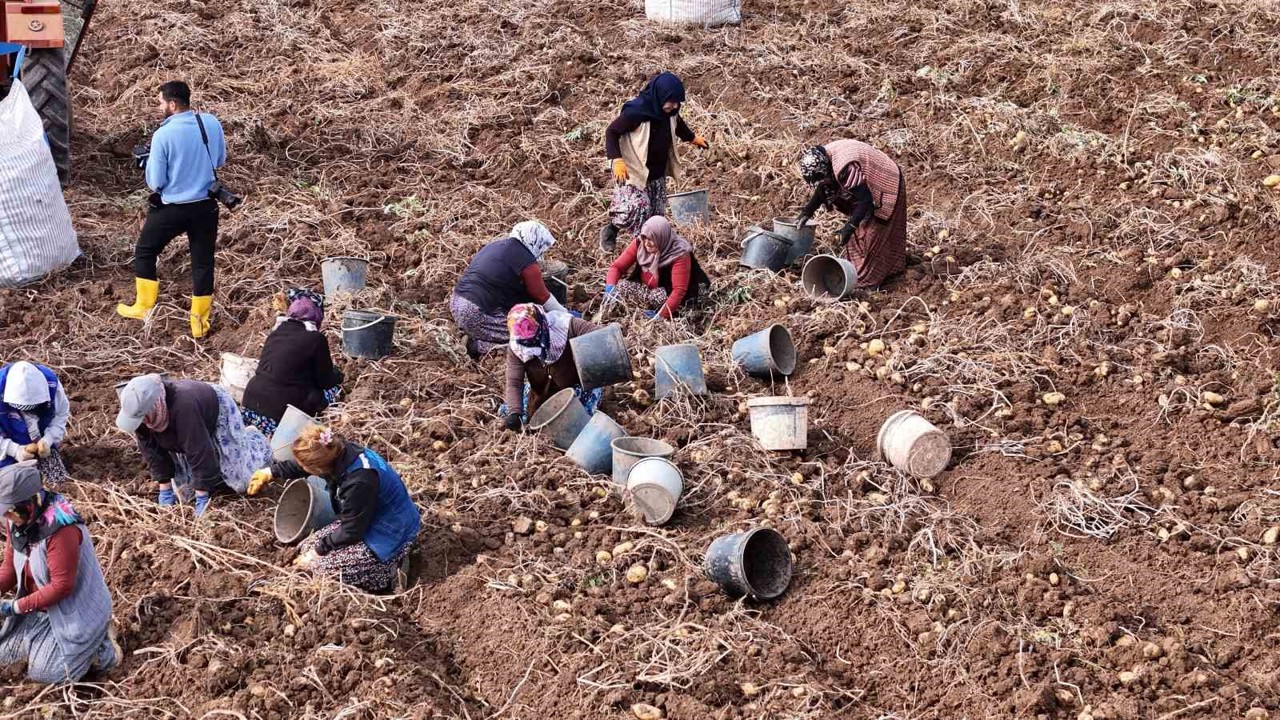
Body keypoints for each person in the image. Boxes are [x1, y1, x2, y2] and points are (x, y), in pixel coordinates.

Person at [247, 426, 421, 593]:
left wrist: (317, 553)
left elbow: (351, 531)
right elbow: (302, 466)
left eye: (306, 467)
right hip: (365, 518)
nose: (302, 468)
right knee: (304, 547)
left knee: (317, 571)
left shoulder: (360, 480)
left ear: (318, 469)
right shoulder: (335, 451)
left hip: (390, 532)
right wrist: (270, 472)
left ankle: (391, 568)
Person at [116, 80, 228, 339]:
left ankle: (144, 307)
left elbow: (157, 182)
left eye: (161, 102)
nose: (159, 107)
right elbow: (220, 159)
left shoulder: (163, 135)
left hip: (173, 209)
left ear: (173, 104)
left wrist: (147, 164)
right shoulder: (210, 123)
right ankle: (199, 323)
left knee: (145, 251)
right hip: (206, 206)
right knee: (203, 262)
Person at [0, 462, 119, 684]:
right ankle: (42, 640)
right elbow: (9, 568)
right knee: (5, 658)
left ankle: (101, 647)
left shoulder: (61, 528)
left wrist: (14, 607)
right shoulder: (16, 521)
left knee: (46, 674)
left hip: (72, 612)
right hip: (38, 609)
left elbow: (61, 586)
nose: (6, 516)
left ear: (30, 503)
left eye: (9, 511)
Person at [115, 374, 270, 516]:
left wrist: (202, 497)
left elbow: (198, 449)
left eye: (142, 418)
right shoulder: (141, 416)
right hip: (187, 429)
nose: (142, 422)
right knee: (185, 495)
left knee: (241, 481)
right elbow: (152, 452)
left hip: (215, 410)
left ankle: (255, 440)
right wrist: (165, 489)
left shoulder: (184, 406)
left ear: (154, 406)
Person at [600, 72, 708, 251]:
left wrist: (692, 138)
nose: (674, 106)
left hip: (656, 173)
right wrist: (616, 159)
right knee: (636, 208)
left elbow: (678, 124)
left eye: (677, 102)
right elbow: (612, 132)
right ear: (659, 95)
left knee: (655, 218)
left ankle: (647, 252)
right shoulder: (636, 112)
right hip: (634, 171)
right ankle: (613, 229)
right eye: (670, 101)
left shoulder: (670, 112)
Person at [794, 141, 907, 289]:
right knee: (857, 237)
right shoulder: (824, 160)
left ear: (826, 169)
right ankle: (858, 273)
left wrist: (849, 227)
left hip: (885, 182)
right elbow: (823, 187)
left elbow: (865, 200)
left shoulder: (846, 167)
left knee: (873, 235)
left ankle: (866, 283)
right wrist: (807, 212)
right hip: (864, 189)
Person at [450, 221, 567, 357]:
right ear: (535, 241)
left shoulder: (495, 246)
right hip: (476, 312)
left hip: (457, 304)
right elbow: (542, 296)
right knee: (533, 334)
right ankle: (476, 346)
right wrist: (566, 316)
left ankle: (476, 334)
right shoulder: (525, 259)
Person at [241, 289, 343, 437]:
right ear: (317, 316)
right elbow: (325, 381)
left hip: (249, 404)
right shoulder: (316, 339)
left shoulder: (276, 332)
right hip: (280, 414)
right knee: (333, 391)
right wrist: (338, 375)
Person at [501, 304, 602, 430]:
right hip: (543, 389)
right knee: (510, 412)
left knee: (576, 424)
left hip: (577, 386)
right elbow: (514, 382)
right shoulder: (517, 347)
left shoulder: (567, 326)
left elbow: (601, 337)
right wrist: (515, 413)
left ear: (543, 324)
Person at [603, 216, 709, 320]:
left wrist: (661, 315)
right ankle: (653, 306)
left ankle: (672, 310)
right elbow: (617, 267)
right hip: (654, 289)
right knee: (623, 287)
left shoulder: (679, 253)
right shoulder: (640, 244)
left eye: (651, 239)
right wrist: (610, 288)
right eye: (645, 238)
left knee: (656, 297)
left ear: (661, 237)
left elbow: (679, 290)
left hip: (689, 290)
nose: (647, 243)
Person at [0, 362, 70, 485]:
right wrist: (14, 450)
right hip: (5, 442)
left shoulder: (52, 384)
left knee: (55, 481)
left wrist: (48, 439)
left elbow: (60, 415)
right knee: (9, 484)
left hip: (40, 439)